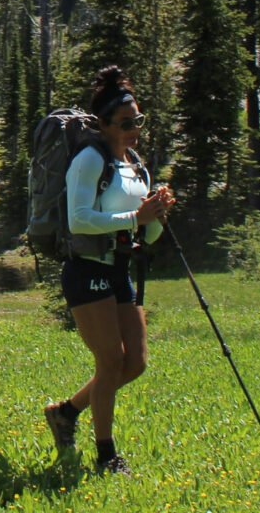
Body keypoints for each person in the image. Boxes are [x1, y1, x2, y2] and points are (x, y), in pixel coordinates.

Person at [43, 66, 173, 475]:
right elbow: (80, 220)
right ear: (104, 124)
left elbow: (146, 235)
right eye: (126, 123)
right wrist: (137, 215)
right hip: (86, 269)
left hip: (120, 269)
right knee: (110, 361)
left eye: (139, 121)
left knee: (134, 362)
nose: (135, 129)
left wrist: (156, 215)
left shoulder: (134, 164)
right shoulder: (88, 160)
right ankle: (106, 455)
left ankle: (65, 412)